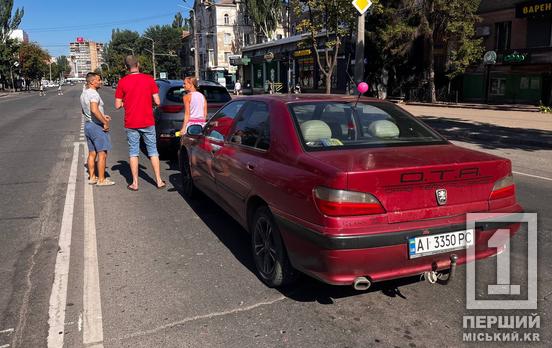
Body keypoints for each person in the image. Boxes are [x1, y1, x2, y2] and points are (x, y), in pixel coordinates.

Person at [115, 55, 165, 191]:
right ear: (138, 64)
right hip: (148, 121)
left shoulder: (122, 82)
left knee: (133, 152)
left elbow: (117, 105)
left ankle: (135, 183)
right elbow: (158, 101)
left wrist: (128, 101)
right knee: (153, 151)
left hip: (131, 122)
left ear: (126, 67)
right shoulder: (149, 80)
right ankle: (159, 180)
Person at [81, 72, 115, 186]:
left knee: (92, 153)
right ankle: (101, 179)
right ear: (92, 82)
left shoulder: (84, 94)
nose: (100, 82)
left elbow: (87, 111)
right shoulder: (94, 94)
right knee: (102, 154)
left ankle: (92, 177)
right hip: (96, 127)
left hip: (88, 125)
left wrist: (102, 115)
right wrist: (104, 122)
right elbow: (94, 109)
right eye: (99, 80)